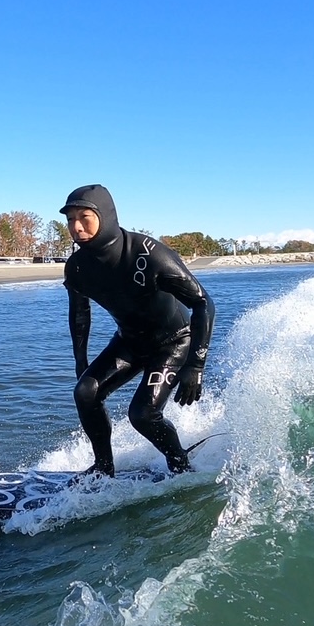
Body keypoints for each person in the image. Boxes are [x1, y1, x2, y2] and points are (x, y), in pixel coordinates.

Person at [60, 184, 215, 477]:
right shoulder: (77, 267)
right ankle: (103, 469)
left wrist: (195, 365)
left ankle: (180, 465)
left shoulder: (149, 254)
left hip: (173, 342)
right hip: (129, 341)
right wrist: (80, 361)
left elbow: (203, 303)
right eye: (70, 220)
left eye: (84, 217)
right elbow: (80, 314)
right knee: (85, 392)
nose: (76, 227)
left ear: (104, 216)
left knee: (142, 415)